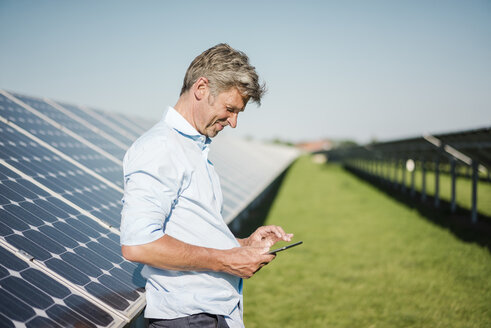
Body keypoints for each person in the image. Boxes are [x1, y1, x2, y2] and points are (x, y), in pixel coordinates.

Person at [120, 43, 293, 328]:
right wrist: (226, 261)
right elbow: (139, 245)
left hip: (207, 315)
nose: (234, 122)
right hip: (188, 318)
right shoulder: (160, 148)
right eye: (230, 108)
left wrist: (242, 245)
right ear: (201, 88)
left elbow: (190, 233)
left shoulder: (193, 148)